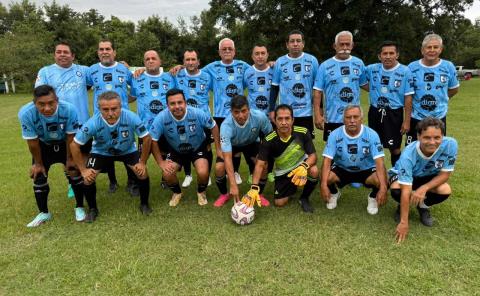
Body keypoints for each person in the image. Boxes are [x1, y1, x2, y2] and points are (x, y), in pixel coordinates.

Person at [70, 91, 153, 222]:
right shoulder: (93, 122)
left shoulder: (131, 117)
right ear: (99, 109)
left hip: (127, 150)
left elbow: (147, 138)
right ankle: (93, 209)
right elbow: (74, 145)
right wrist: (83, 170)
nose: (110, 113)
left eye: (114, 109)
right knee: (88, 178)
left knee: (142, 173)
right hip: (101, 152)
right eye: (105, 109)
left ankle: (144, 204)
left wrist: (142, 162)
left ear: (121, 106)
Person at [18, 85, 85, 227]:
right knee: (39, 175)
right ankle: (44, 213)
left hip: (64, 143)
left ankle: (79, 207)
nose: (47, 108)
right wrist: (38, 163)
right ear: (34, 103)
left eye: (51, 103)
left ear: (57, 100)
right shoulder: (26, 113)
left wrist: (70, 159)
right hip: (43, 145)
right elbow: (33, 142)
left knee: (74, 171)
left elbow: (70, 137)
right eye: (41, 104)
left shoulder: (69, 109)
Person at [35, 41, 91, 198]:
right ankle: (71, 183)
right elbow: (39, 94)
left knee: (83, 153)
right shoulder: (46, 72)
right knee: (66, 153)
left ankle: (81, 179)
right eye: (58, 52)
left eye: (66, 52)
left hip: (82, 122)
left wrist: (126, 66)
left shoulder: (83, 71)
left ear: (73, 56)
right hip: (57, 124)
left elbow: (104, 71)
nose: (62, 54)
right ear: (54, 55)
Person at [150, 89, 221, 207]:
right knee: (167, 173)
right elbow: (153, 140)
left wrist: (218, 148)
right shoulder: (161, 118)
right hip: (176, 150)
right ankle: (177, 193)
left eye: (180, 102)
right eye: (172, 104)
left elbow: (213, 126)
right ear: (167, 105)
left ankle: (201, 192)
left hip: (197, 147)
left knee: (203, 172)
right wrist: (161, 162)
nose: (177, 106)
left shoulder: (197, 113)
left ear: (185, 103)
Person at [390, 117, 457, 243]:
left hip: (427, 177)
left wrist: (424, 188)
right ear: (419, 136)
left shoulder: (450, 144)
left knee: (445, 189)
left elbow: (444, 175)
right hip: (408, 177)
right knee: (396, 189)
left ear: (442, 136)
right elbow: (406, 189)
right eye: (427, 137)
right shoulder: (408, 155)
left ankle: (422, 206)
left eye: (437, 137)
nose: (432, 142)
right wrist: (404, 222)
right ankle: (402, 207)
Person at [244, 104, 318, 213]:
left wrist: (304, 166)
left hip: (301, 166)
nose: (284, 122)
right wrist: (254, 187)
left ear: (293, 120)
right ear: (275, 120)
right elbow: (260, 165)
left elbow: (313, 156)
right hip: (283, 172)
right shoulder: (268, 139)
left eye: (287, 118)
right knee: (279, 203)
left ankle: (304, 198)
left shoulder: (302, 132)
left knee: (314, 170)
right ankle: (293, 186)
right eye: (280, 119)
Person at [87, 39, 137, 195]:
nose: (104, 52)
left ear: (114, 52)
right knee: (105, 149)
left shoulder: (124, 69)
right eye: (101, 49)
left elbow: (134, 92)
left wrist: (122, 103)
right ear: (98, 52)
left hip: (123, 119)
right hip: (101, 119)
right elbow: (84, 87)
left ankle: (131, 182)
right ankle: (112, 182)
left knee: (127, 148)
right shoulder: (91, 70)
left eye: (107, 49)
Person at [320, 105, 388, 214]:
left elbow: (379, 163)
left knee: (382, 178)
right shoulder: (334, 134)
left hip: (366, 169)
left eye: (355, 117)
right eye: (348, 117)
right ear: (343, 119)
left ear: (361, 118)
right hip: (342, 169)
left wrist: (383, 188)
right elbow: (327, 160)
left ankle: (373, 197)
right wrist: (323, 185)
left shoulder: (372, 135)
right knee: (326, 177)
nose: (352, 121)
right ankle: (334, 193)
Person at [203, 38, 251, 185]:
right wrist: (180, 67)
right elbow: (193, 72)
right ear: (219, 52)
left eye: (230, 48)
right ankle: (213, 172)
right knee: (221, 144)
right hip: (220, 115)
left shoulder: (244, 66)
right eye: (224, 49)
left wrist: (270, 64)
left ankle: (235, 172)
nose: (227, 51)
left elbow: (259, 71)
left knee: (237, 146)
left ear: (234, 51)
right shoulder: (211, 67)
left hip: (238, 114)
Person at [213, 95, 273, 207]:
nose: (241, 115)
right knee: (219, 167)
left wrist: (264, 152)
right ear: (231, 112)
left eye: (244, 111)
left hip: (251, 143)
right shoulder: (226, 126)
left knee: (264, 165)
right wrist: (233, 184)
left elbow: (270, 135)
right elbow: (227, 157)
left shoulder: (259, 117)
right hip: (233, 145)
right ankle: (224, 194)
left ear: (249, 109)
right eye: (236, 112)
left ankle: (259, 194)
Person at [364, 41, 414, 166]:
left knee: (395, 147)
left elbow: (408, 97)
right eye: (384, 53)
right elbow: (361, 82)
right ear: (379, 56)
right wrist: (374, 90)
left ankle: (396, 174)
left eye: (391, 53)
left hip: (394, 113)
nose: (388, 56)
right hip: (375, 111)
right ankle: (372, 173)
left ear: (397, 55)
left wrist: (406, 121)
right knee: (373, 145)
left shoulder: (405, 71)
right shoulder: (371, 69)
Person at [313, 31, 368, 141]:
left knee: (354, 149)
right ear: (335, 46)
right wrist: (318, 115)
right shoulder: (325, 66)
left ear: (352, 46)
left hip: (354, 118)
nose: (344, 47)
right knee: (332, 152)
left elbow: (366, 86)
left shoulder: (359, 63)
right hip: (332, 118)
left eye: (347, 44)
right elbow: (317, 92)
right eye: (341, 44)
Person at [406, 33, 459, 145]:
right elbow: (408, 94)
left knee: (435, 148)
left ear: (441, 49)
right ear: (422, 50)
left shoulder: (448, 66)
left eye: (436, 47)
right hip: (416, 116)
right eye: (428, 47)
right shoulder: (411, 67)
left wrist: (442, 99)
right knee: (413, 149)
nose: (432, 50)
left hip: (439, 117)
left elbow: (454, 89)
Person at [175, 49, 213, 188]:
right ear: (183, 62)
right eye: (187, 60)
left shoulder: (207, 76)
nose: (190, 62)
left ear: (198, 62)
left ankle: (206, 175)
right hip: (183, 118)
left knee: (207, 147)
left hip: (203, 119)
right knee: (185, 146)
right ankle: (188, 175)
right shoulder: (177, 75)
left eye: (193, 59)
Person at [270, 30, 319, 138]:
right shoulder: (280, 62)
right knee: (284, 144)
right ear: (287, 44)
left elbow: (318, 89)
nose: (295, 44)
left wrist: (319, 111)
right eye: (292, 41)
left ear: (303, 44)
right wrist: (271, 110)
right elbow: (274, 88)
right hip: (285, 114)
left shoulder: (312, 61)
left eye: (298, 41)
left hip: (306, 113)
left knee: (306, 146)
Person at [244, 44, 274, 115]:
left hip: (270, 116)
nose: (260, 56)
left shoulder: (274, 71)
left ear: (267, 55)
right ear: (252, 56)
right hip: (253, 116)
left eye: (263, 53)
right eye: (257, 54)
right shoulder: (247, 72)